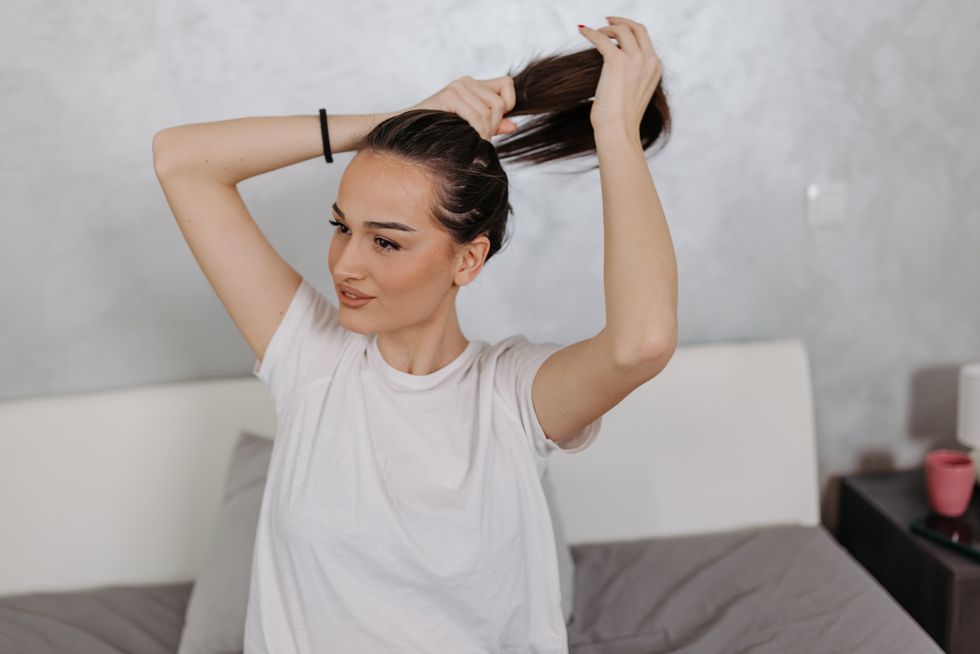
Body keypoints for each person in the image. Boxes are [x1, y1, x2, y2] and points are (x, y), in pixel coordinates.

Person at [152, 16, 677, 654]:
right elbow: (180, 161)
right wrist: (389, 126)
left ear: (468, 260)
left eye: (386, 241)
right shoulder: (312, 359)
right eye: (341, 226)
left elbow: (641, 343)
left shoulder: (511, 399)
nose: (345, 263)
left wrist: (616, 132)